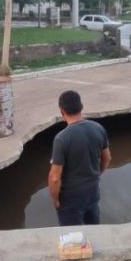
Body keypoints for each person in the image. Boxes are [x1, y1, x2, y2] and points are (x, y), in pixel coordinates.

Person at [48, 90, 112, 226]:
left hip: (70, 199)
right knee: (94, 229)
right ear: (81, 107)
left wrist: (55, 200)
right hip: (93, 192)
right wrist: (96, 174)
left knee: (73, 238)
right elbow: (107, 158)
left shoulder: (61, 138)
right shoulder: (98, 128)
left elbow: (54, 177)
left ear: (62, 111)